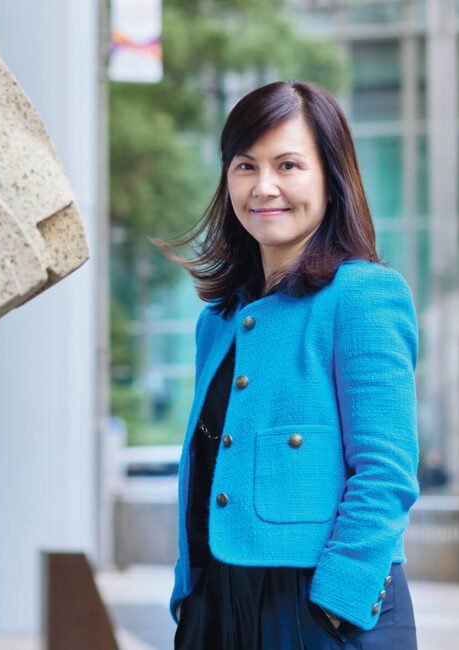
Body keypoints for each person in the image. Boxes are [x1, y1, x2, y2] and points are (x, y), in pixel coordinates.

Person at [158, 81, 419, 649]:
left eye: (289, 165)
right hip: (216, 610)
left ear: (331, 176)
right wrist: (191, 599)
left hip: (321, 610)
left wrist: (335, 606)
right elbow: (205, 459)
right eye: (245, 166)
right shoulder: (218, 320)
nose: (264, 186)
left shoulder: (365, 296)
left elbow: (386, 473)